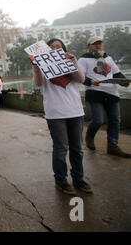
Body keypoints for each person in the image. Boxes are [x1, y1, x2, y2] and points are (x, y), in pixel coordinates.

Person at [30, 38, 92, 195]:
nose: (56, 49)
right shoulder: (42, 65)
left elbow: (81, 79)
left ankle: (78, 178)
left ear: (64, 48)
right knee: (61, 148)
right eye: (52, 47)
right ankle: (61, 180)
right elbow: (38, 84)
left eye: (59, 46)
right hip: (55, 113)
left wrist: (74, 61)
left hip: (75, 111)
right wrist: (36, 67)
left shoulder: (69, 61)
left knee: (77, 148)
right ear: (46, 50)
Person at [78, 37, 131, 158]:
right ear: (89, 46)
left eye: (100, 43)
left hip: (111, 93)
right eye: (95, 44)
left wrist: (124, 81)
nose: (98, 46)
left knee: (115, 120)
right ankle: (89, 137)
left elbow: (116, 73)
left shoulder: (108, 58)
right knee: (98, 120)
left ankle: (113, 145)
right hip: (94, 92)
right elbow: (80, 77)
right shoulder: (84, 59)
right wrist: (90, 81)